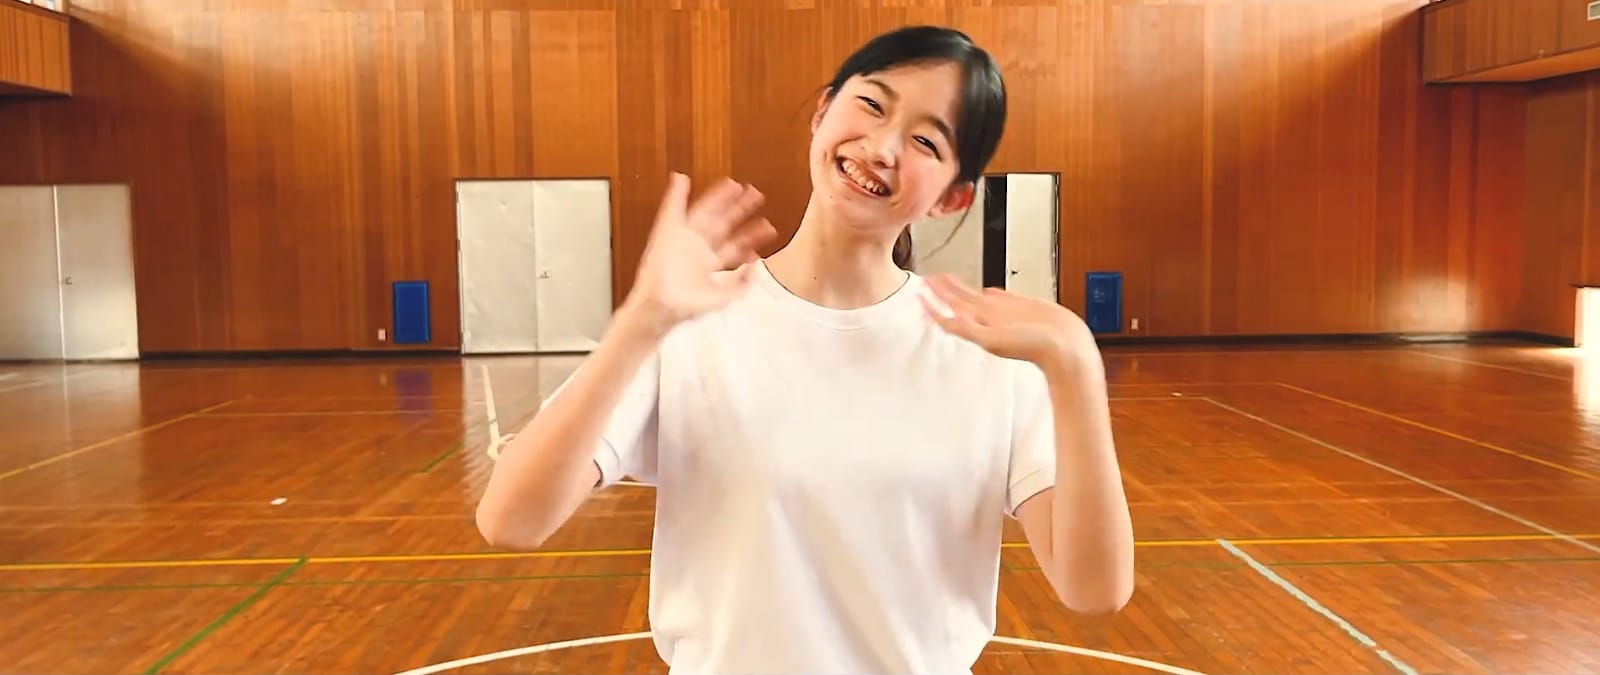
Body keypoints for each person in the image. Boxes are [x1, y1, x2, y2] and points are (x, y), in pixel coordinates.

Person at [475, 25, 1134, 675]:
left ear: (952, 196)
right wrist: (638, 323)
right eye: (872, 104)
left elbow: (1094, 589)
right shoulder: (691, 321)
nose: (882, 147)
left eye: (925, 141)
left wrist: (1075, 365)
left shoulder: (985, 352)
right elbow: (511, 519)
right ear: (823, 112)